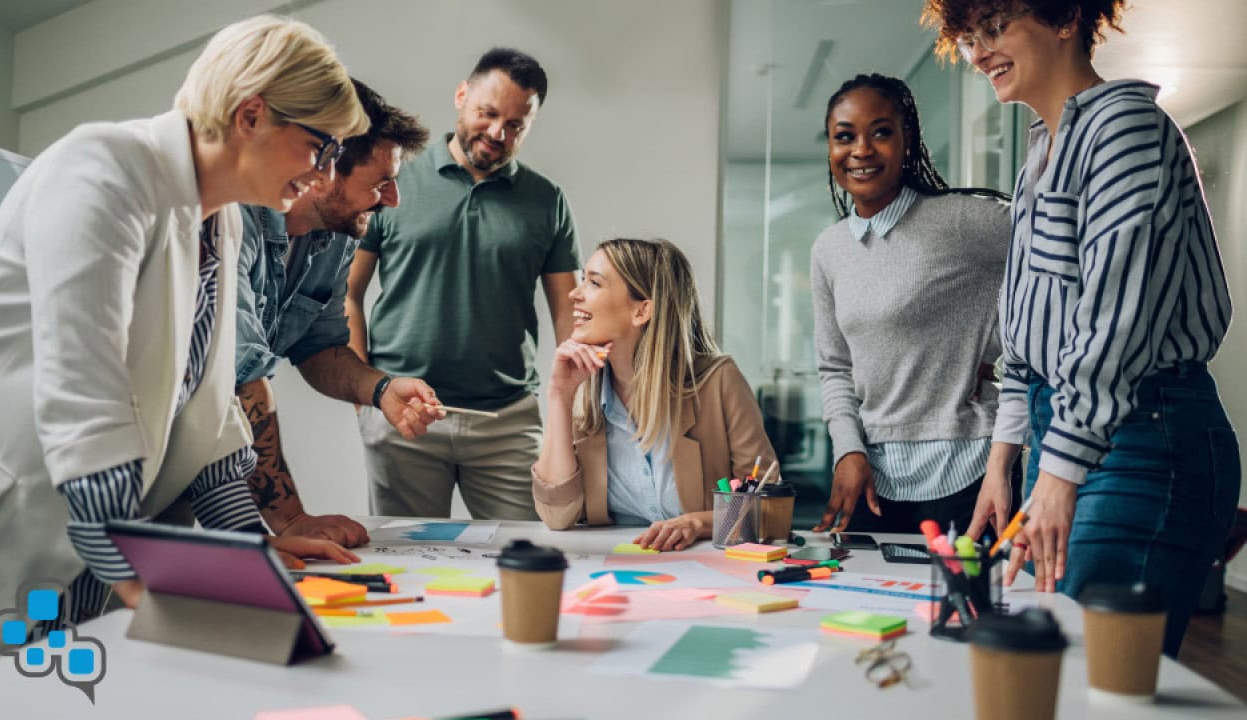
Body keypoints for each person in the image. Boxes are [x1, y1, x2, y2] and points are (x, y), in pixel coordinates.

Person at [0, 16, 365, 664]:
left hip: (86, 539)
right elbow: (83, 396)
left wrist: (251, 554)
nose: (321, 176)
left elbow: (208, 422)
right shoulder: (103, 167)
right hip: (4, 511)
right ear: (252, 115)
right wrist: (164, 581)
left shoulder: (221, 223)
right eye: (318, 147)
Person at [923, 0, 1239, 657]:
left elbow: (1115, 325)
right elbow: (1026, 328)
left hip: (1145, 441)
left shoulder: (1125, 127)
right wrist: (1002, 464)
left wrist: (1059, 473)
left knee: (1092, 677)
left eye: (995, 27)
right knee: (1060, 666)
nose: (979, 53)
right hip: (1071, 429)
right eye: (971, 36)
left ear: (1065, 16)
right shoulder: (1042, 149)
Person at [348, 48, 580, 521]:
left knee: (526, 558)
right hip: (404, 414)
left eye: (516, 125)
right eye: (488, 113)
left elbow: (569, 317)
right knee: (405, 569)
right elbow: (346, 294)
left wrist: (571, 412)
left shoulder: (547, 201)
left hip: (508, 422)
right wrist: (365, 397)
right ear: (461, 96)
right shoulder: (393, 181)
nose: (498, 133)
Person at [236, 79, 442, 548]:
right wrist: (290, 519)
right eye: (381, 183)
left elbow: (321, 347)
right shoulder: (234, 220)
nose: (393, 200)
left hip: (206, 462)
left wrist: (381, 389)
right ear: (324, 168)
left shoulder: (336, 236)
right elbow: (242, 373)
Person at [810, 73, 1014, 536]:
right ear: (831, 148)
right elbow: (834, 367)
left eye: (880, 132)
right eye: (845, 136)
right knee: (864, 606)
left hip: (969, 468)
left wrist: (1002, 346)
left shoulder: (960, 220)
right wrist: (847, 449)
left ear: (908, 142)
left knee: (972, 608)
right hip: (872, 479)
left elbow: (1062, 251)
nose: (861, 150)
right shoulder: (828, 249)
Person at [531, 238, 777, 551]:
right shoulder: (582, 386)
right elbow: (556, 515)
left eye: (593, 283)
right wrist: (559, 396)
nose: (574, 294)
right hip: (615, 567)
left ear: (642, 310)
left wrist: (698, 523)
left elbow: (769, 507)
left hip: (703, 570)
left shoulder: (719, 382)